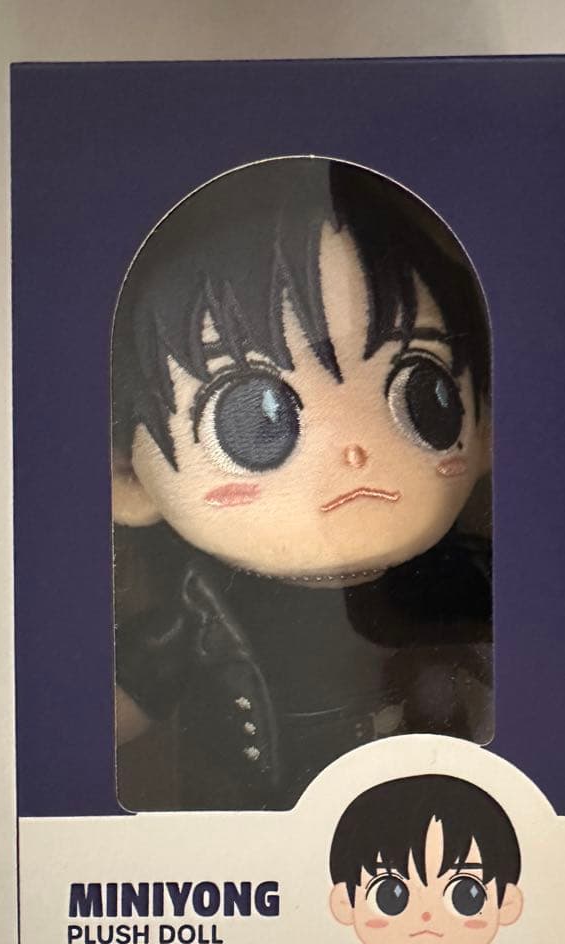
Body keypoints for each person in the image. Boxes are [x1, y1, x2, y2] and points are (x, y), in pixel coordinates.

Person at [112, 158, 493, 810]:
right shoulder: (200, 609)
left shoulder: (469, 582)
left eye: (423, 395)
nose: (353, 451)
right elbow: (125, 696)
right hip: (254, 818)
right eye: (253, 422)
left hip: (431, 809)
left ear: (486, 433)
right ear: (128, 479)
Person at [329, 773, 523, 944]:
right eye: (390, 896)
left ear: (507, 904)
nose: (426, 915)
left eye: (465, 895)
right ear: (344, 903)